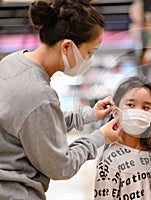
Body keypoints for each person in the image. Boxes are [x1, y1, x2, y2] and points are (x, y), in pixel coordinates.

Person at [0, 0, 120, 199]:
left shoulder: (13, 62)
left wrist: (89, 115)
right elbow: (61, 166)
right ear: (67, 47)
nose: (88, 60)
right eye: (89, 52)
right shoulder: (39, 94)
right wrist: (100, 137)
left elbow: (33, 124)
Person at [94, 76, 151, 200]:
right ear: (115, 111)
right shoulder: (110, 160)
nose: (138, 112)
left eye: (146, 107)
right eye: (131, 104)